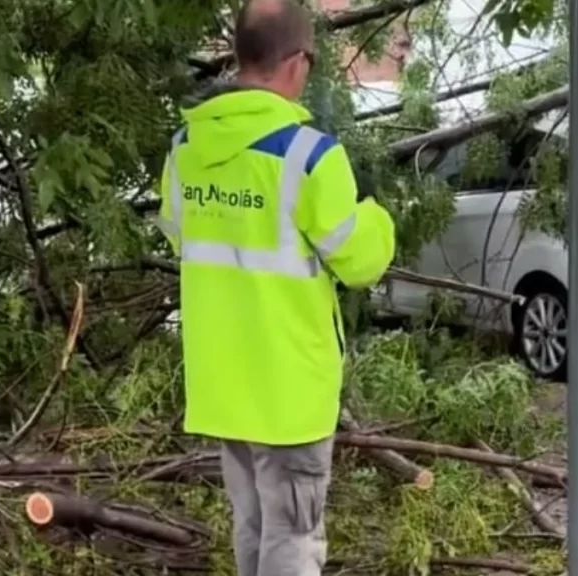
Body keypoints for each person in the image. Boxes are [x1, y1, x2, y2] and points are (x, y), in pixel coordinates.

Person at [153, 0, 396, 574]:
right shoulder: (309, 156)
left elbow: (180, 235)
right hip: (289, 392)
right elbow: (359, 262)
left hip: (224, 384)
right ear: (298, 61)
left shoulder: (186, 150)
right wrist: (378, 218)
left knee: (254, 527)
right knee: (292, 539)